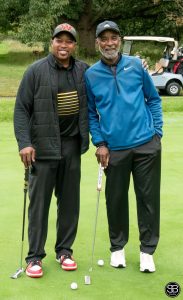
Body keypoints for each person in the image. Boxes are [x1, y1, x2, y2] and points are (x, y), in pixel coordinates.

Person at [85, 21, 163, 273]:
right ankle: (117, 248)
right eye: (104, 38)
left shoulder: (135, 66)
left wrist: (157, 133)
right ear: (97, 42)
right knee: (115, 199)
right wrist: (100, 142)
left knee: (148, 200)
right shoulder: (91, 74)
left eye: (113, 38)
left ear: (120, 40)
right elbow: (91, 114)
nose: (109, 43)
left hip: (145, 145)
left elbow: (153, 99)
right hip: (114, 149)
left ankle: (147, 252)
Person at [14, 23, 89, 278]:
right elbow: (22, 110)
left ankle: (65, 251)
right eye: (60, 40)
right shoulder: (35, 71)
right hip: (42, 148)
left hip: (72, 145)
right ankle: (35, 257)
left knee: (69, 204)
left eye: (69, 41)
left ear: (75, 45)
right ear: (52, 42)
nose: (64, 45)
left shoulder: (83, 71)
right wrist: (24, 142)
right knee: (39, 205)